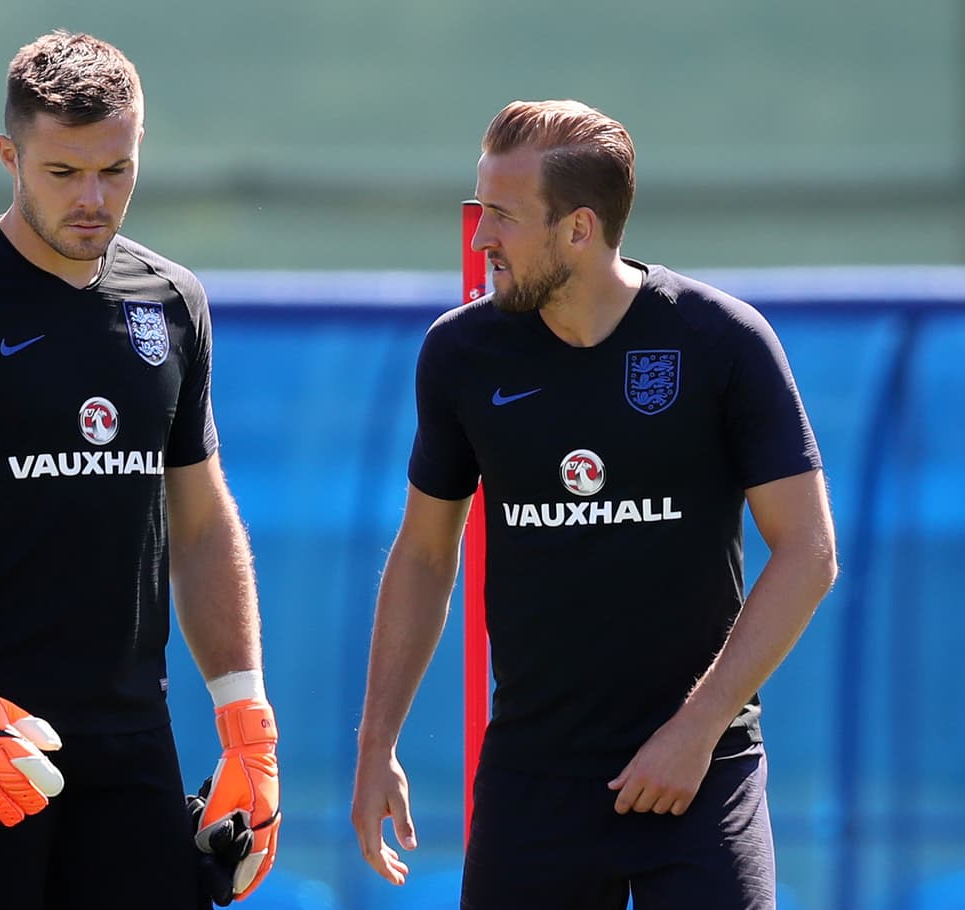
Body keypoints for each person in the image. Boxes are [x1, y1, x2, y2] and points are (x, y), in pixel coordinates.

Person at [0, 30, 279, 910]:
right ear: (10, 155)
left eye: (116, 169)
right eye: (63, 173)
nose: (94, 198)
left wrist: (246, 723)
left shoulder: (172, 301)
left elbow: (200, 521)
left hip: (132, 738)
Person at [350, 99, 838, 909]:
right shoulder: (460, 354)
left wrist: (695, 730)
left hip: (698, 778)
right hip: (531, 787)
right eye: (479, 213)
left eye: (502, 218)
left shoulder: (722, 342)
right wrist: (377, 745)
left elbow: (808, 552)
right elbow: (427, 553)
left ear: (579, 229)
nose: (480, 240)